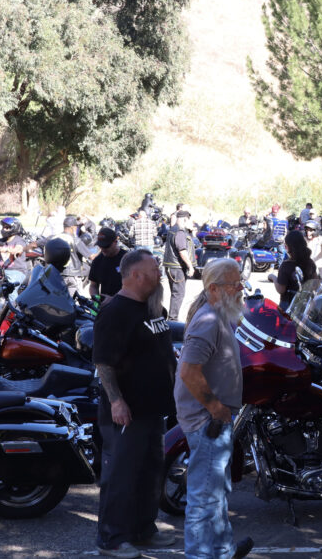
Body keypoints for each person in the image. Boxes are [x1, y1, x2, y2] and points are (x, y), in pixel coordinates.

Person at [93, 249, 177, 558]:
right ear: (135, 275)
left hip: (153, 409)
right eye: (154, 269)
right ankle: (112, 538)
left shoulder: (153, 308)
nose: (159, 274)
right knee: (122, 476)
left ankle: (143, 530)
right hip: (127, 412)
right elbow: (103, 363)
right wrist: (116, 401)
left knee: (149, 473)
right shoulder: (115, 311)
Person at [174, 259, 253, 559]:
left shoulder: (218, 314)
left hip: (213, 419)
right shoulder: (208, 320)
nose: (241, 287)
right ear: (214, 289)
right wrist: (216, 408)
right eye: (235, 284)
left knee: (216, 495)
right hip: (208, 420)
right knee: (204, 499)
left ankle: (222, 550)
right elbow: (188, 372)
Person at [272, 230, 318, 314]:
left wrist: (273, 278)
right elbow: (316, 283)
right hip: (305, 306)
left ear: (289, 247)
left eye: (285, 246)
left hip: (288, 305)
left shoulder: (286, 265)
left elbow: (281, 289)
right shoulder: (310, 262)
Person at [163, 210, 196, 321]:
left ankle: (172, 318)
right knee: (178, 294)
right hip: (177, 268)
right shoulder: (180, 232)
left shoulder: (173, 229)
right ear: (185, 219)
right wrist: (190, 266)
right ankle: (173, 320)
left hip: (172, 267)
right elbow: (182, 251)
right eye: (189, 220)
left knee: (175, 293)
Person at [90, 227, 127, 303]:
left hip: (126, 305)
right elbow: (93, 285)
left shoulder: (128, 259)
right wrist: (96, 300)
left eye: (106, 246)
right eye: (101, 246)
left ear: (115, 242)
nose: (103, 249)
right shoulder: (97, 261)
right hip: (105, 306)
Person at [0, 218, 30, 287]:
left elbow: (18, 249)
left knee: (10, 290)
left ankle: (15, 298)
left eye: (7, 227)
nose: (4, 229)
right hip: (2, 271)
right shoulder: (0, 241)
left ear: (14, 228)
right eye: (3, 227)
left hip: (17, 271)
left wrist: (6, 249)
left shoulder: (19, 240)